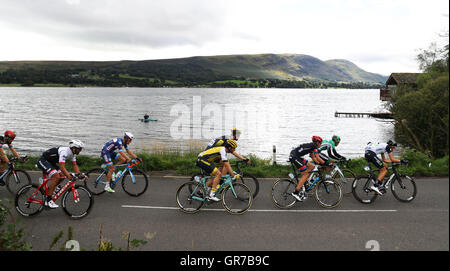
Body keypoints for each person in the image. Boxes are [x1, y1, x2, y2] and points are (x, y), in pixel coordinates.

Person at [36, 140, 85, 208]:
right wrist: (69, 176)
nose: (80, 150)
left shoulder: (73, 154)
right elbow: (62, 167)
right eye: (79, 149)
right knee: (56, 176)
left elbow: (74, 165)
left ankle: (50, 190)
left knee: (62, 176)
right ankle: (48, 200)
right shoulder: (64, 152)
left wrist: (79, 174)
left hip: (51, 162)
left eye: (81, 149)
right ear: (74, 148)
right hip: (43, 161)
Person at [289, 136, 327, 202]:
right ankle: (296, 192)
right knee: (306, 174)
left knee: (311, 166)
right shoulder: (314, 147)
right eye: (320, 143)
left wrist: (319, 163)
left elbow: (312, 157)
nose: (321, 144)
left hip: (298, 156)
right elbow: (317, 157)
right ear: (317, 143)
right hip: (294, 157)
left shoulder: (312, 146)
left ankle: (304, 182)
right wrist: (326, 164)